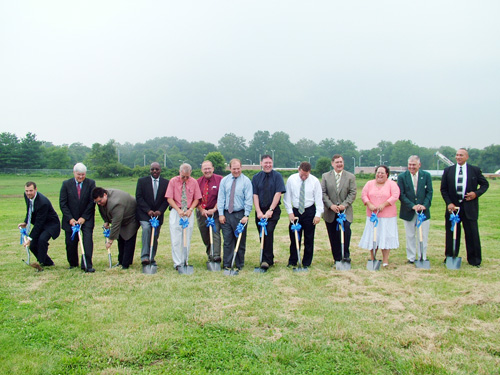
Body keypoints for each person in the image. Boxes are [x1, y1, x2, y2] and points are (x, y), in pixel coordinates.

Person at [440, 148, 489, 267]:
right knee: (451, 233)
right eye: (457, 155)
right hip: (453, 208)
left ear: (466, 157)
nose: (458, 157)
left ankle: (474, 260)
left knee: (472, 233)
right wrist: (449, 203)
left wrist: (476, 194)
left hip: (469, 207)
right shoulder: (448, 171)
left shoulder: (474, 170)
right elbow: (443, 189)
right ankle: (450, 256)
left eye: (461, 155)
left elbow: (485, 184)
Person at [283, 162, 323, 268]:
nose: (304, 177)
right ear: (298, 170)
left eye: (306, 175)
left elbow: (319, 199)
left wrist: (318, 214)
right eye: (302, 175)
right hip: (296, 211)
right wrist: (290, 212)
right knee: (294, 237)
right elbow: (287, 198)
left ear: (309, 172)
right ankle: (293, 260)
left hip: (309, 211)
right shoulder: (291, 179)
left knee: (309, 238)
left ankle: (306, 262)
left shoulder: (315, 181)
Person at [359, 166, 400, 267]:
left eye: (382, 173)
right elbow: (364, 195)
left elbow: (395, 196)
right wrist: (369, 204)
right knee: (373, 237)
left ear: (387, 174)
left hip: (387, 216)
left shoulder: (392, 184)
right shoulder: (369, 184)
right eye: (378, 172)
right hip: (372, 216)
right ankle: (373, 258)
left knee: (385, 237)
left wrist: (384, 204)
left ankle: (385, 260)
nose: (380, 175)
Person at [59, 163, 96, 272]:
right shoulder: (66, 184)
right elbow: (63, 203)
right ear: (74, 173)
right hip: (70, 219)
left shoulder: (91, 183)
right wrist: (70, 219)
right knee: (70, 243)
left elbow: (92, 202)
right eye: (78, 174)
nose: (80, 177)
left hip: (86, 218)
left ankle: (87, 265)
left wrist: (83, 218)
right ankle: (73, 263)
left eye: (83, 174)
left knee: (87, 241)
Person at [217, 159, 253, 270]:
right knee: (227, 241)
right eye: (234, 169)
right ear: (230, 168)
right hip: (227, 215)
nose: (236, 171)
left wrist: (246, 215)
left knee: (240, 241)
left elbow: (248, 199)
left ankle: (239, 264)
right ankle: (227, 264)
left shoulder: (246, 181)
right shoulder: (224, 181)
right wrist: (221, 214)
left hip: (240, 214)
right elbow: (221, 197)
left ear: (241, 168)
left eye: (238, 168)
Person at [251, 154, 286, 269]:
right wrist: (258, 211)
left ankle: (267, 260)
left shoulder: (277, 176)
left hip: (273, 211)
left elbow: (278, 193)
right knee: (262, 234)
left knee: (268, 232)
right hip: (260, 211)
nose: (268, 165)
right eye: (265, 163)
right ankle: (265, 258)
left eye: (270, 163)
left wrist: (270, 210)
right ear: (261, 163)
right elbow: (255, 195)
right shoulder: (256, 177)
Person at [321, 154, 357, 264]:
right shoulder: (325, 176)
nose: (339, 164)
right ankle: (337, 259)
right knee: (333, 235)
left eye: (341, 162)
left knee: (346, 232)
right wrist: (331, 205)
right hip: (330, 212)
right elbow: (322, 193)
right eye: (337, 162)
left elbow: (353, 192)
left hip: (345, 211)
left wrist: (344, 205)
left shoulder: (350, 177)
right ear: (332, 164)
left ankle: (345, 256)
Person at [166, 163, 202, 270]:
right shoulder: (173, 181)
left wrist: (191, 209)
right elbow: (169, 198)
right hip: (176, 211)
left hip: (188, 212)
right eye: (183, 177)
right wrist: (178, 210)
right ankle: (177, 263)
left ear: (190, 173)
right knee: (176, 239)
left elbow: (197, 198)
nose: (185, 179)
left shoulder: (194, 182)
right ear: (179, 172)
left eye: (187, 177)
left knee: (186, 238)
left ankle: (185, 260)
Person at [397, 155, 433, 263]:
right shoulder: (402, 177)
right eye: (409, 165)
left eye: (414, 165)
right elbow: (401, 194)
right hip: (408, 211)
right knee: (410, 235)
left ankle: (423, 256)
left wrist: (424, 205)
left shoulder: (426, 175)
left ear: (419, 165)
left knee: (423, 235)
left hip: (423, 212)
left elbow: (429, 192)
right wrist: (412, 205)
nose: (411, 167)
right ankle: (411, 257)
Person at [92, 187, 139, 269]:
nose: (98, 203)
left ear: (105, 195)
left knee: (128, 239)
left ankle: (126, 264)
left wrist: (110, 241)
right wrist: (106, 221)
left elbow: (116, 223)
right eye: (97, 202)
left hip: (131, 218)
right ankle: (120, 261)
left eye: (100, 201)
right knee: (120, 239)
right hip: (121, 217)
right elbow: (103, 211)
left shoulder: (116, 203)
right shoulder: (102, 200)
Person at [18, 181, 61, 270]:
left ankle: (40, 264)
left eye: (30, 190)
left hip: (51, 224)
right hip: (42, 223)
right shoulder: (27, 196)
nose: (28, 193)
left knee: (42, 240)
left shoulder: (43, 202)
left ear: (36, 189)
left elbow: (39, 223)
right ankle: (48, 263)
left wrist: (29, 238)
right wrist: (26, 222)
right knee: (33, 245)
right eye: (26, 191)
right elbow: (29, 210)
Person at [135, 162, 169, 266]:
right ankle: (145, 256)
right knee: (146, 229)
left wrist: (160, 211)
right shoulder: (142, 181)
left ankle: (151, 257)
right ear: (150, 170)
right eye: (152, 169)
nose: (154, 171)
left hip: (158, 214)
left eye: (157, 169)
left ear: (160, 170)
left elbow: (167, 199)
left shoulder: (166, 183)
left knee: (155, 235)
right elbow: (139, 197)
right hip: (144, 214)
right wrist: (148, 210)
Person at [196, 160, 223, 263]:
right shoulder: (197, 182)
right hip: (202, 212)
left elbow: (222, 197)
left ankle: (216, 256)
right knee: (205, 234)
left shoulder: (220, 180)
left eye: (209, 168)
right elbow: (195, 198)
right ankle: (210, 254)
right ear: (202, 170)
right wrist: (201, 210)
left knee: (215, 232)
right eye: (205, 169)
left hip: (215, 211)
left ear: (213, 168)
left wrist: (215, 209)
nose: (207, 171)